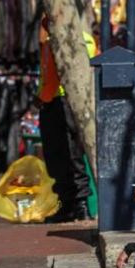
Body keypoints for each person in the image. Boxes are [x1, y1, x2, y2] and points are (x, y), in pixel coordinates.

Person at [37, 17, 97, 222]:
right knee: (55, 155)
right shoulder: (47, 42)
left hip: (68, 100)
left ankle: (81, 204)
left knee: (73, 154)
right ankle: (66, 202)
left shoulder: (81, 39)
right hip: (50, 100)